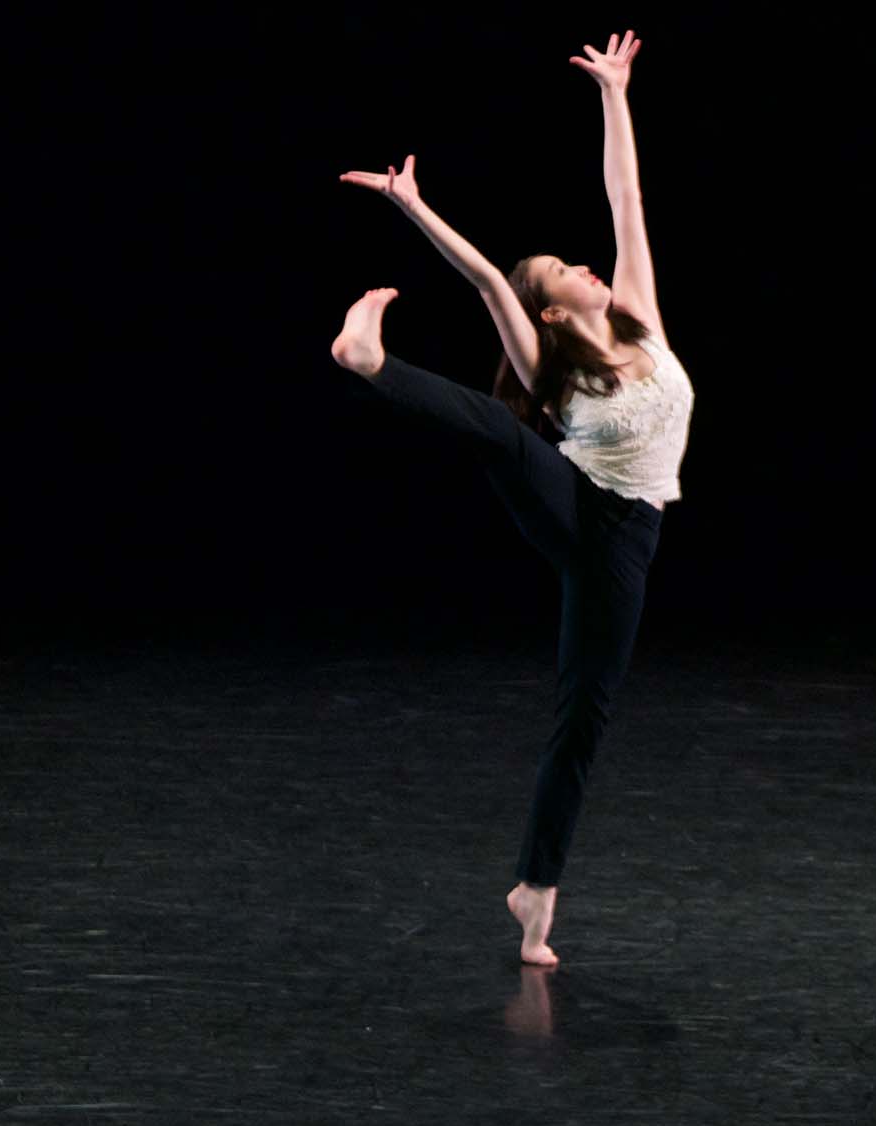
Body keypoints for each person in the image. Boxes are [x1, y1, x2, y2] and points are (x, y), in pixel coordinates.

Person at [328, 31, 692, 967]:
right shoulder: (551, 371)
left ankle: (535, 893)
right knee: (504, 431)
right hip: (576, 504)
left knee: (583, 721)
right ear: (553, 311)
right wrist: (415, 209)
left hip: (627, 546)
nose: (589, 265)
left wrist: (614, 93)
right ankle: (372, 363)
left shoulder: (641, 317)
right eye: (568, 271)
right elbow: (492, 278)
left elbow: (627, 199)